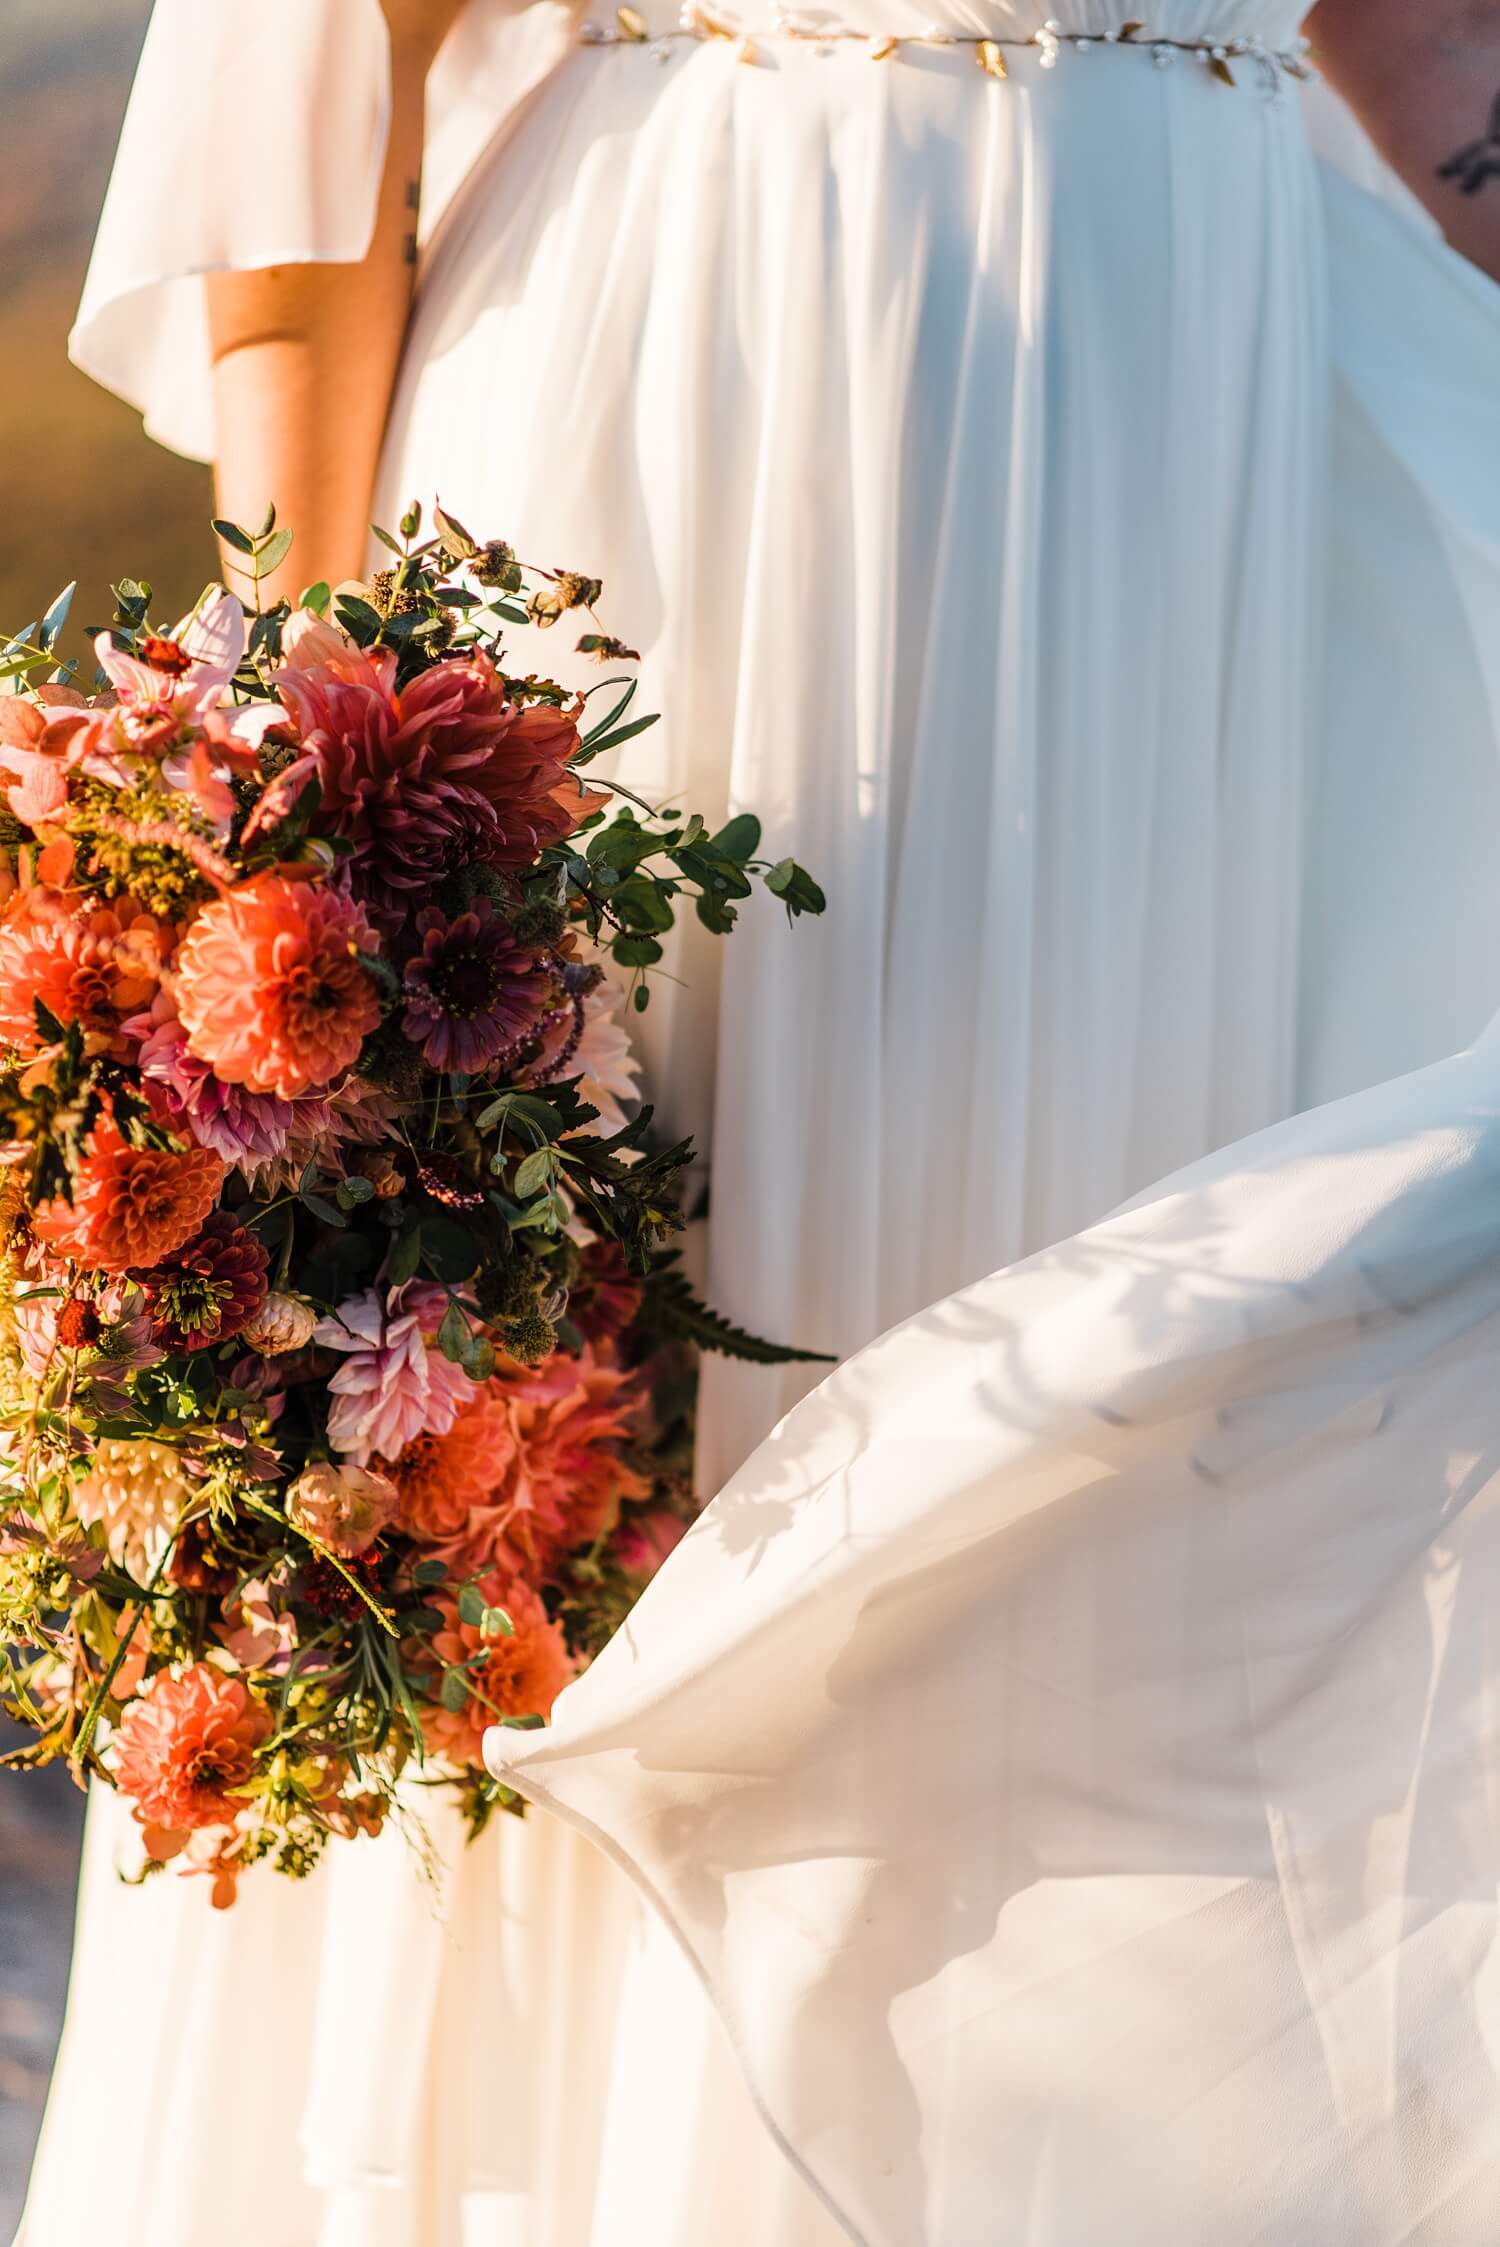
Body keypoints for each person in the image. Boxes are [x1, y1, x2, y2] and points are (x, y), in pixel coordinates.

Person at [17, 0, 1500, 2240]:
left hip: (1208, 432)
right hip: (713, 378)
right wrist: (287, 719)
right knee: (622, 1443)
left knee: (1164, 1404)